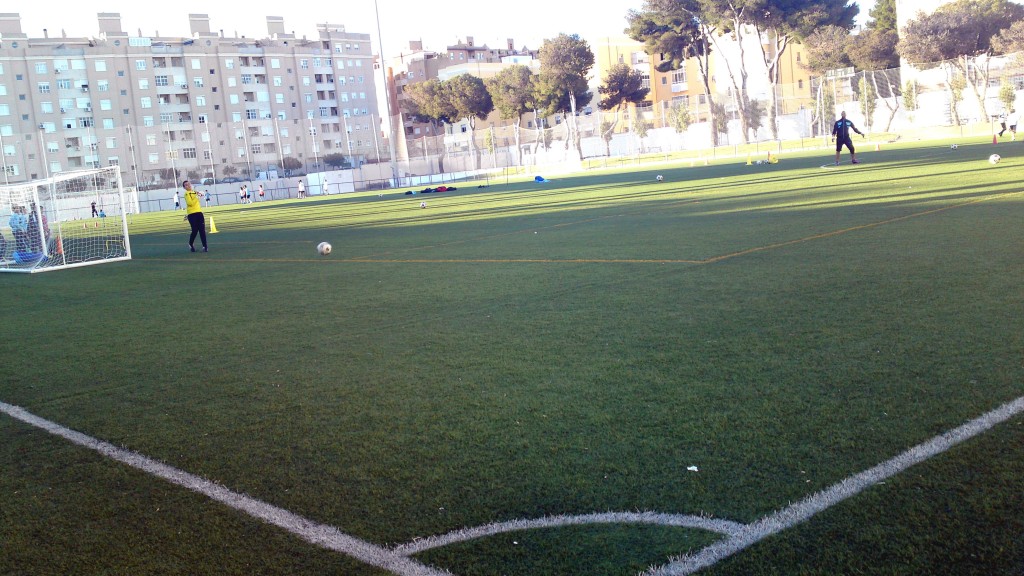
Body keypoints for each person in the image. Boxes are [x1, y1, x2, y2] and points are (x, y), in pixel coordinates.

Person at [182, 180, 207, 253]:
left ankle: (205, 246)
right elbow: (190, 203)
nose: (188, 185)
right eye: (186, 185)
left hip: (199, 213)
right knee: (195, 231)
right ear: (184, 187)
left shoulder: (194, 192)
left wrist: (201, 194)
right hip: (192, 214)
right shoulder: (187, 194)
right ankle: (190, 243)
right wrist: (197, 197)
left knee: (202, 230)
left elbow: (201, 195)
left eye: (189, 184)